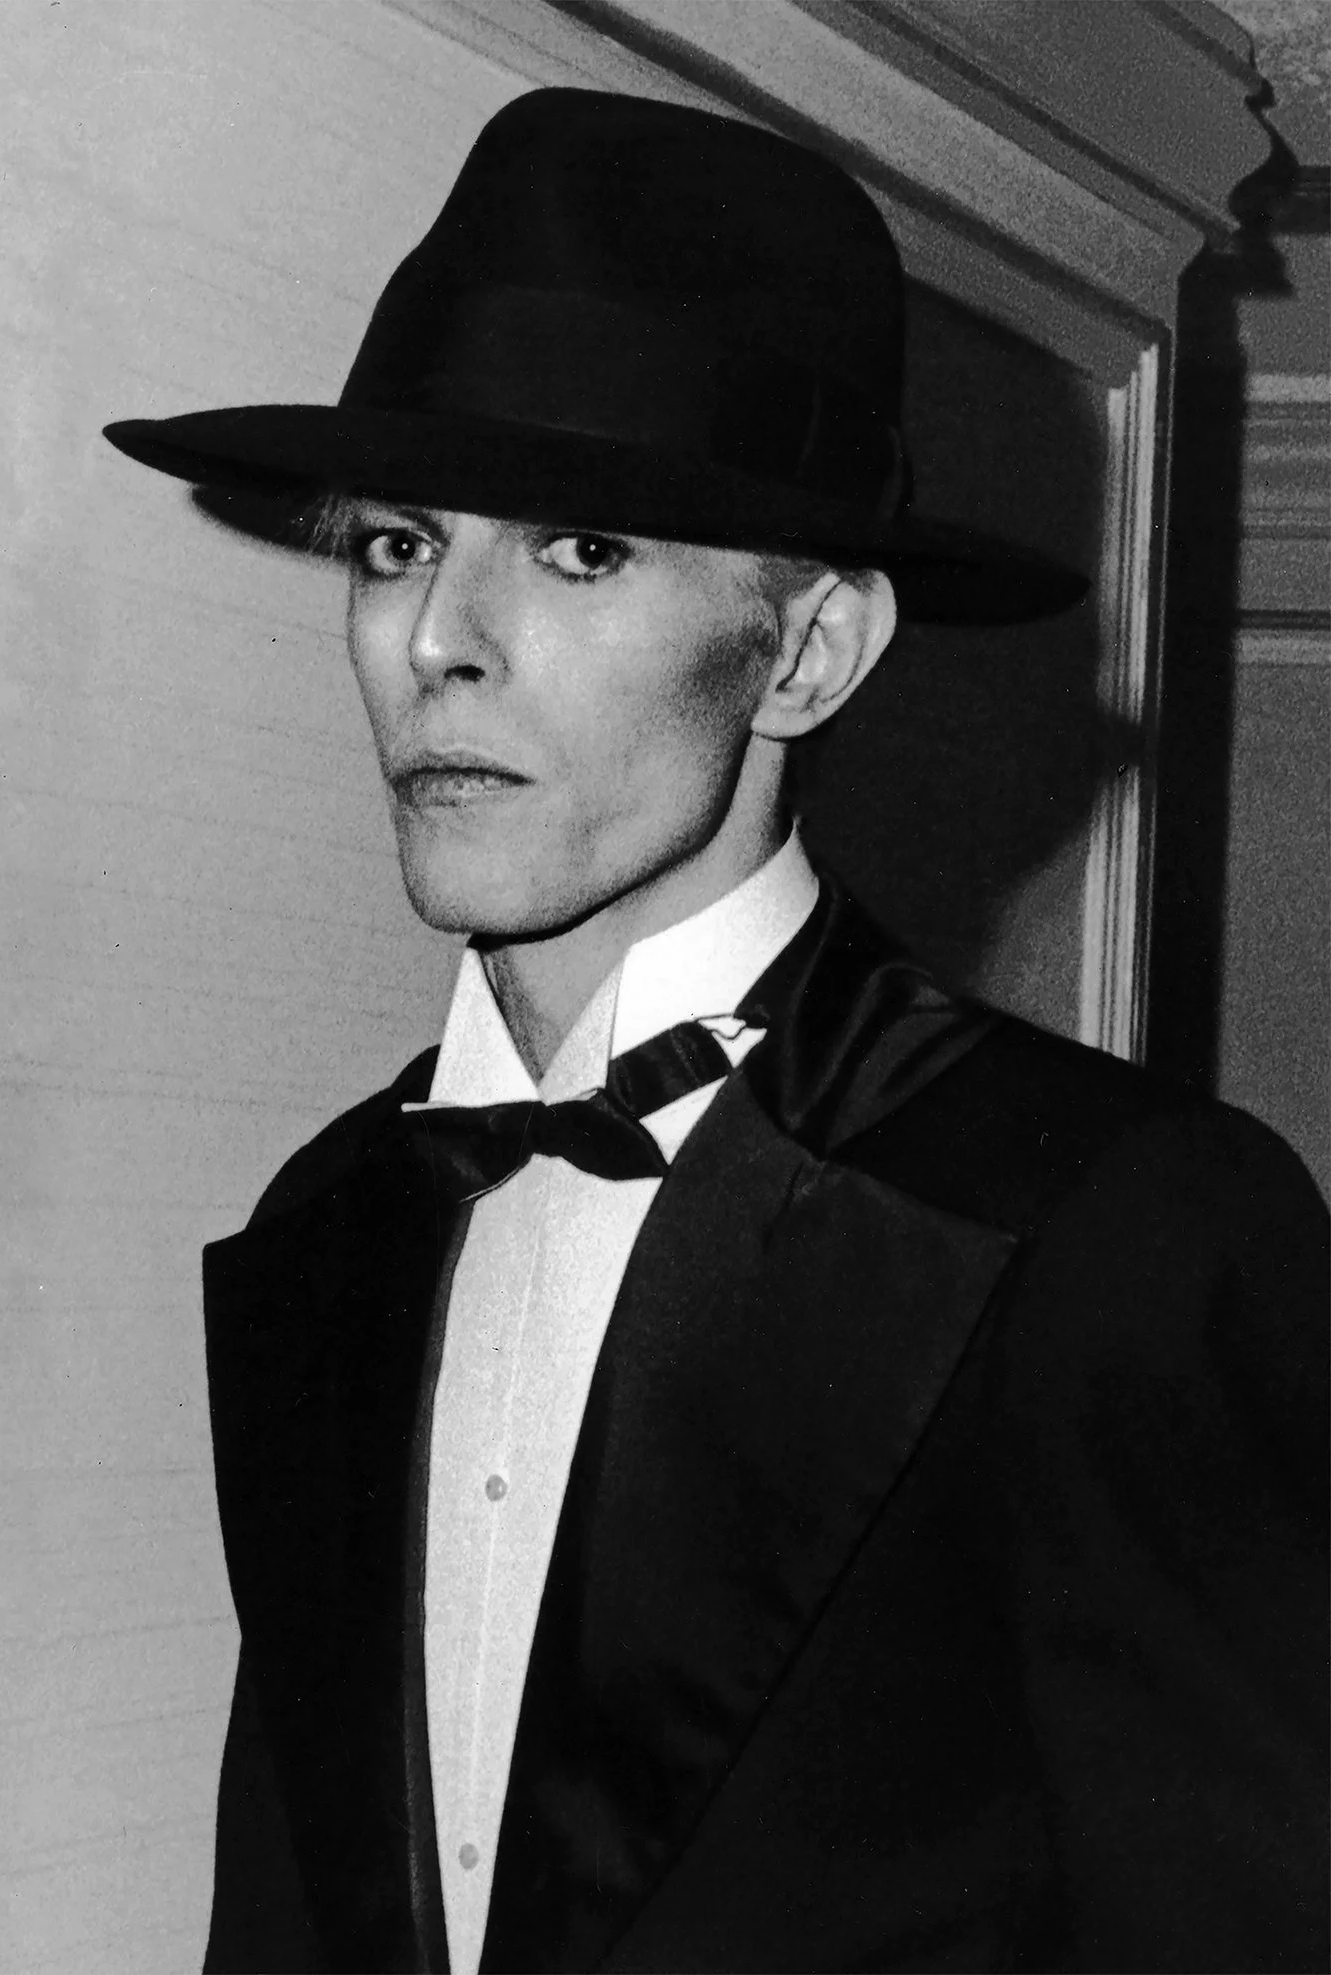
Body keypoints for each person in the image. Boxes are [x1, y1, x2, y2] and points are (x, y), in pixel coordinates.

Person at [106, 87, 1327, 1972]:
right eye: (397, 543)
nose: (438, 638)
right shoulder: (325, 1226)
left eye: (580, 551)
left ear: (809, 651)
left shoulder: (1128, 1230)